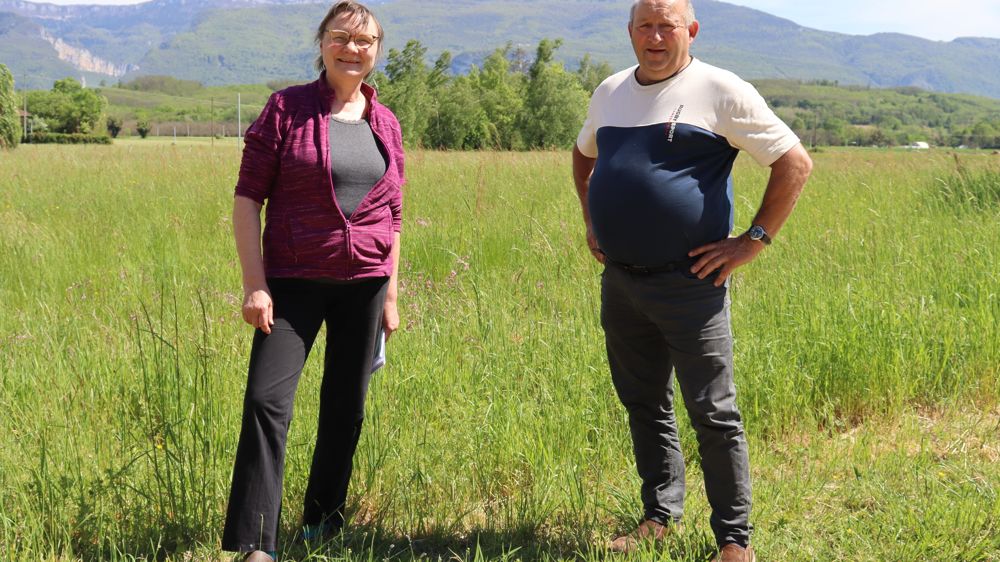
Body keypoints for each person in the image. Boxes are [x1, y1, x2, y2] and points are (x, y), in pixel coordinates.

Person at [571, 0, 812, 560]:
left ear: (691, 30)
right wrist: (591, 218)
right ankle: (659, 516)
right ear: (630, 32)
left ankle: (734, 540)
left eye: (667, 25)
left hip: (691, 284)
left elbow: (794, 162)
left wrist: (752, 240)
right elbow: (584, 158)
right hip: (622, 282)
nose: (655, 37)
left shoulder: (720, 89)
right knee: (644, 402)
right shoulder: (609, 93)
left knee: (713, 411)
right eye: (645, 26)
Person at [221, 2, 404, 560]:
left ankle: (322, 524)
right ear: (322, 42)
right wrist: (256, 285)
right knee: (266, 402)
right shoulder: (286, 109)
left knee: (345, 408)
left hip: (366, 283)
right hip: (292, 282)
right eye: (342, 37)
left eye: (365, 40)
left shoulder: (386, 120)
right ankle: (257, 544)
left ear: (377, 50)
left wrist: (392, 293)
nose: (353, 49)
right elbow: (248, 199)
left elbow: (393, 213)